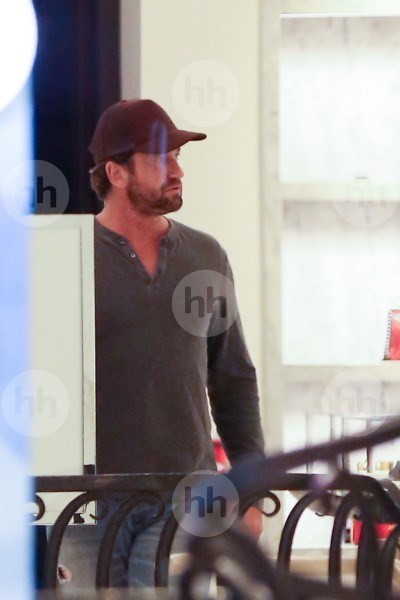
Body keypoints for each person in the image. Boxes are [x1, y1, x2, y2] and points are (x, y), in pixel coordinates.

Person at [85, 98, 265, 587]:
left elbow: (233, 378)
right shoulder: (69, 258)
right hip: (87, 501)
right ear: (116, 173)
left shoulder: (206, 255)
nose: (177, 170)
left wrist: (251, 488)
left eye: (177, 157)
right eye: (160, 159)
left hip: (188, 497)